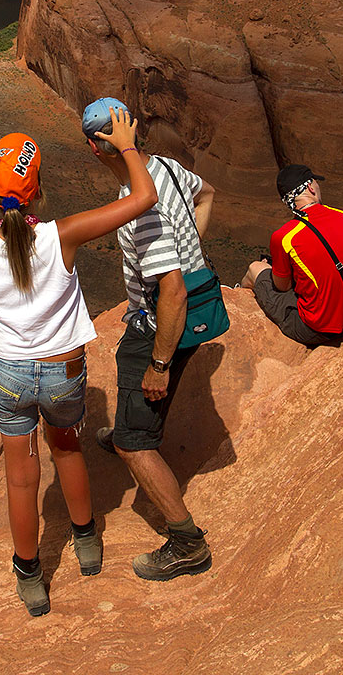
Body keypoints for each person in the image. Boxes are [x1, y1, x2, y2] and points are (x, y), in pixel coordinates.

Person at [0, 107, 156, 616]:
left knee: (20, 478)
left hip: (8, 374)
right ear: (37, 190)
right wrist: (127, 145)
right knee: (68, 452)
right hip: (62, 371)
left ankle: (30, 577)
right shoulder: (62, 236)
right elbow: (144, 197)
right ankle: (87, 543)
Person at [83, 96, 218, 582]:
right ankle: (125, 425)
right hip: (178, 311)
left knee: (135, 442)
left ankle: (187, 542)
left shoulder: (140, 210)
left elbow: (172, 289)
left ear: (97, 149)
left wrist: (159, 364)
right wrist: (193, 249)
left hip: (160, 324)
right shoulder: (166, 165)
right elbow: (208, 194)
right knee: (130, 405)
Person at [240, 164, 343, 346]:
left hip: (317, 329)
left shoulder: (285, 236)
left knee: (256, 268)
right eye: (316, 183)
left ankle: (239, 295)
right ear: (310, 187)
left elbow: (282, 287)